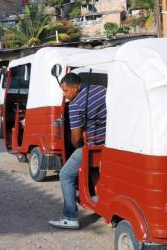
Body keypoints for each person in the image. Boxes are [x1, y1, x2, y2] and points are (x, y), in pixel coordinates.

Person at [49, 73, 106, 229]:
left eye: (66, 91)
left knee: (65, 174)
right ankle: (99, 198)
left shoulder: (75, 105)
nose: (65, 95)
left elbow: (75, 138)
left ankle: (70, 217)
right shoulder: (102, 90)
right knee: (95, 171)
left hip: (92, 146)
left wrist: (77, 144)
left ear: (76, 86)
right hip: (109, 145)